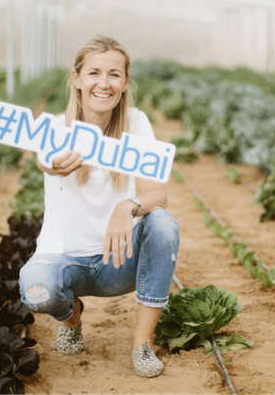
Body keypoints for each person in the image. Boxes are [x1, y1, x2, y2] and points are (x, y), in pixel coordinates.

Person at [18, 35, 180, 378]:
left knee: (163, 223)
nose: (103, 84)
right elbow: (46, 160)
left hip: (117, 260)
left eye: (114, 74)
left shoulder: (136, 124)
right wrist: (52, 164)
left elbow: (158, 195)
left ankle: (142, 345)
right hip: (66, 260)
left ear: (124, 83)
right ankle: (72, 318)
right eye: (93, 73)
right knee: (36, 290)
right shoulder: (55, 127)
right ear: (76, 78)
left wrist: (127, 207)